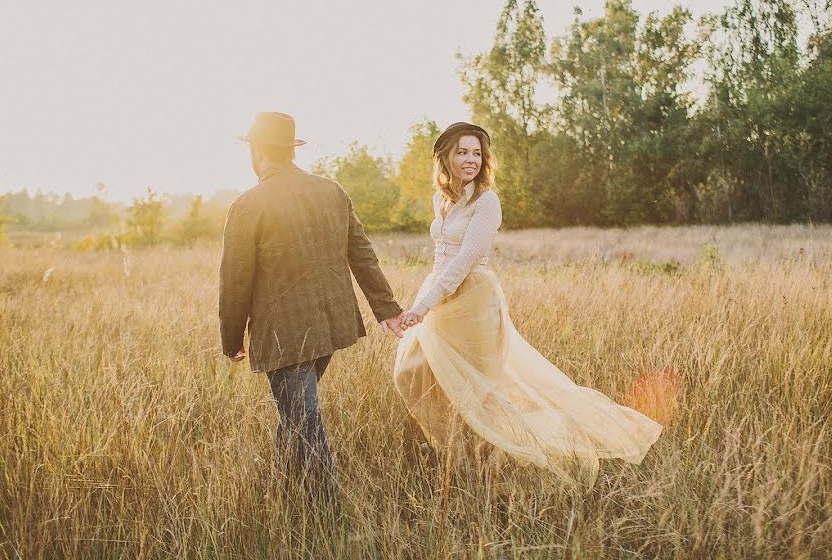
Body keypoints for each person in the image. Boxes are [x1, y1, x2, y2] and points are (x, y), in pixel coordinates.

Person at [393, 122, 663, 489]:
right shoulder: (441, 199)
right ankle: (453, 452)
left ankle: (498, 459)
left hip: (472, 300)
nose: (470, 159)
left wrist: (423, 306)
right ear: (445, 158)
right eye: (462, 152)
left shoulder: (486, 201)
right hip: (440, 296)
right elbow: (442, 256)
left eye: (476, 153)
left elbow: (468, 258)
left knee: (477, 390)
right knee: (413, 373)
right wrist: (427, 301)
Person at [218, 111, 408, 505]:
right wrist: (386, 308)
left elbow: (235, 281)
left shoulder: (248, 204)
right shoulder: (331, 190)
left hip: (283, 336)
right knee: (295, 414)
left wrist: (231, 339)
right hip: (330, 328)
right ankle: (287, 493)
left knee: (303, 420)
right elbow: (362, 253)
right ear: (290, 149)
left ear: (257, 151)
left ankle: (328, 513)